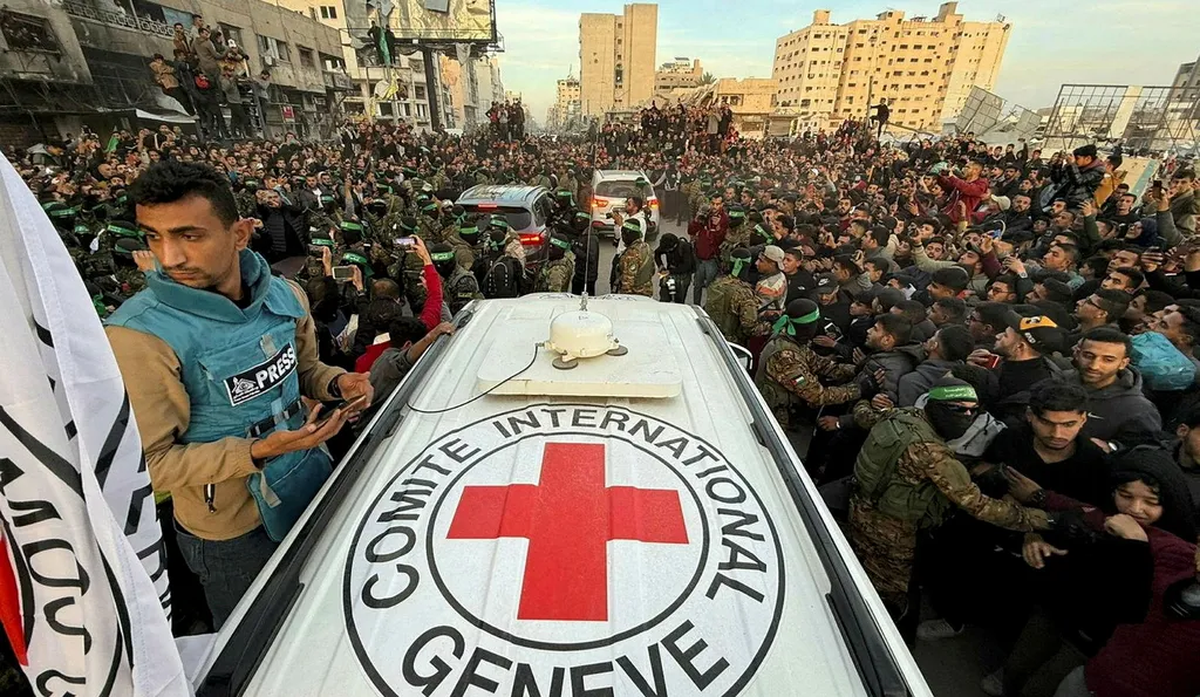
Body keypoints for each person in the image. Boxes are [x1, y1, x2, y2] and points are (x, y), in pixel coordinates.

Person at [104, 161, 373, 628]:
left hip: (310, 481)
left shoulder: (285, 295)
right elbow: (152, 464)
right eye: (153, 237)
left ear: (241, 234)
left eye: (190, 236)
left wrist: (338, 383)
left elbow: (304, 370)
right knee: (264, 643)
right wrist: (256, 452)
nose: (169, 257)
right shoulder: (140, 336)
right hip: (234, 533)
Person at [848, 377, 1053, 631]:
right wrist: (1044, 519)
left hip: (860, 508)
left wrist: (864, 395)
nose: (966, 416)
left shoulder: (899, 416)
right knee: (888, 596)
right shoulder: (932, 453)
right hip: (893, 532)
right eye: (957, 409)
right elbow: (978, 505)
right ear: (935, 406)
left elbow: (864, 415)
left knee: (856, 567)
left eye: (972, 411)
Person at [755, 298, 872, 430]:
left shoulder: (792, 339)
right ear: (806, 327)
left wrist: (855, 370)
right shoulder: (785, 356)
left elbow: (820, 364)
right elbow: (816, 395)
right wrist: (857, 390)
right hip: (771, 418)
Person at [1060, 328, 1161, 444]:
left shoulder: (1138, 408)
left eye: (1108, 360)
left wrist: (1113, 447)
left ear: (1123, 363)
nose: (1094, 366)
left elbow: (1149, 448)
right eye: (1088, 356)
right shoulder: (1056, 382)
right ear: (1077, 354)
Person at [704, 248, 761, 346]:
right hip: (730, 344)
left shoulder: (717, 283)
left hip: (710, 335)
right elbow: (749, 326)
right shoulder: (744, 292)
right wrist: (768, 325)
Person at [614, 218, 653, 297]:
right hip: (647, 291)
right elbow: (652, 270)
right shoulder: (646, 247)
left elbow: (628, 281)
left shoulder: (632, 253)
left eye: (623, 234)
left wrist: (624, 297)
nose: (623, 237)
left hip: (635, 295)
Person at [654, 232, 695, 304]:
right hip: (669, 275)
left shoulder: (685, 248)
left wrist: (670, 271)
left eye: (669, 250)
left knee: (679, 301)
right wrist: (660, 265)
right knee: (664, 298)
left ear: (674, 245)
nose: (668, 251)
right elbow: (657, 253)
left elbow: (687, 266)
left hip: (683, 277)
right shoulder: (665, 245)